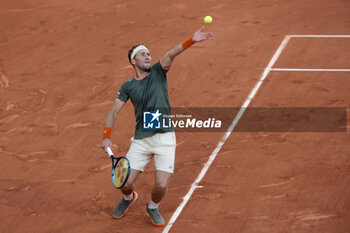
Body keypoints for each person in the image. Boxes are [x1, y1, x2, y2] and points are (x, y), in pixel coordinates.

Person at [101, 26, 213, 226]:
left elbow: (171, 53)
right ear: (133, 61)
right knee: (124, 183)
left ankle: (152, 206)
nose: (147, 56)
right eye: (142, 54)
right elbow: (113, 112)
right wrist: (106, 136)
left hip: (164, 138)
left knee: (160, 186)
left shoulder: (158, 72)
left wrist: (192, 40)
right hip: (141, 140)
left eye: (148, 53)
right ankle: (129, 198)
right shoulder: (127, 86)